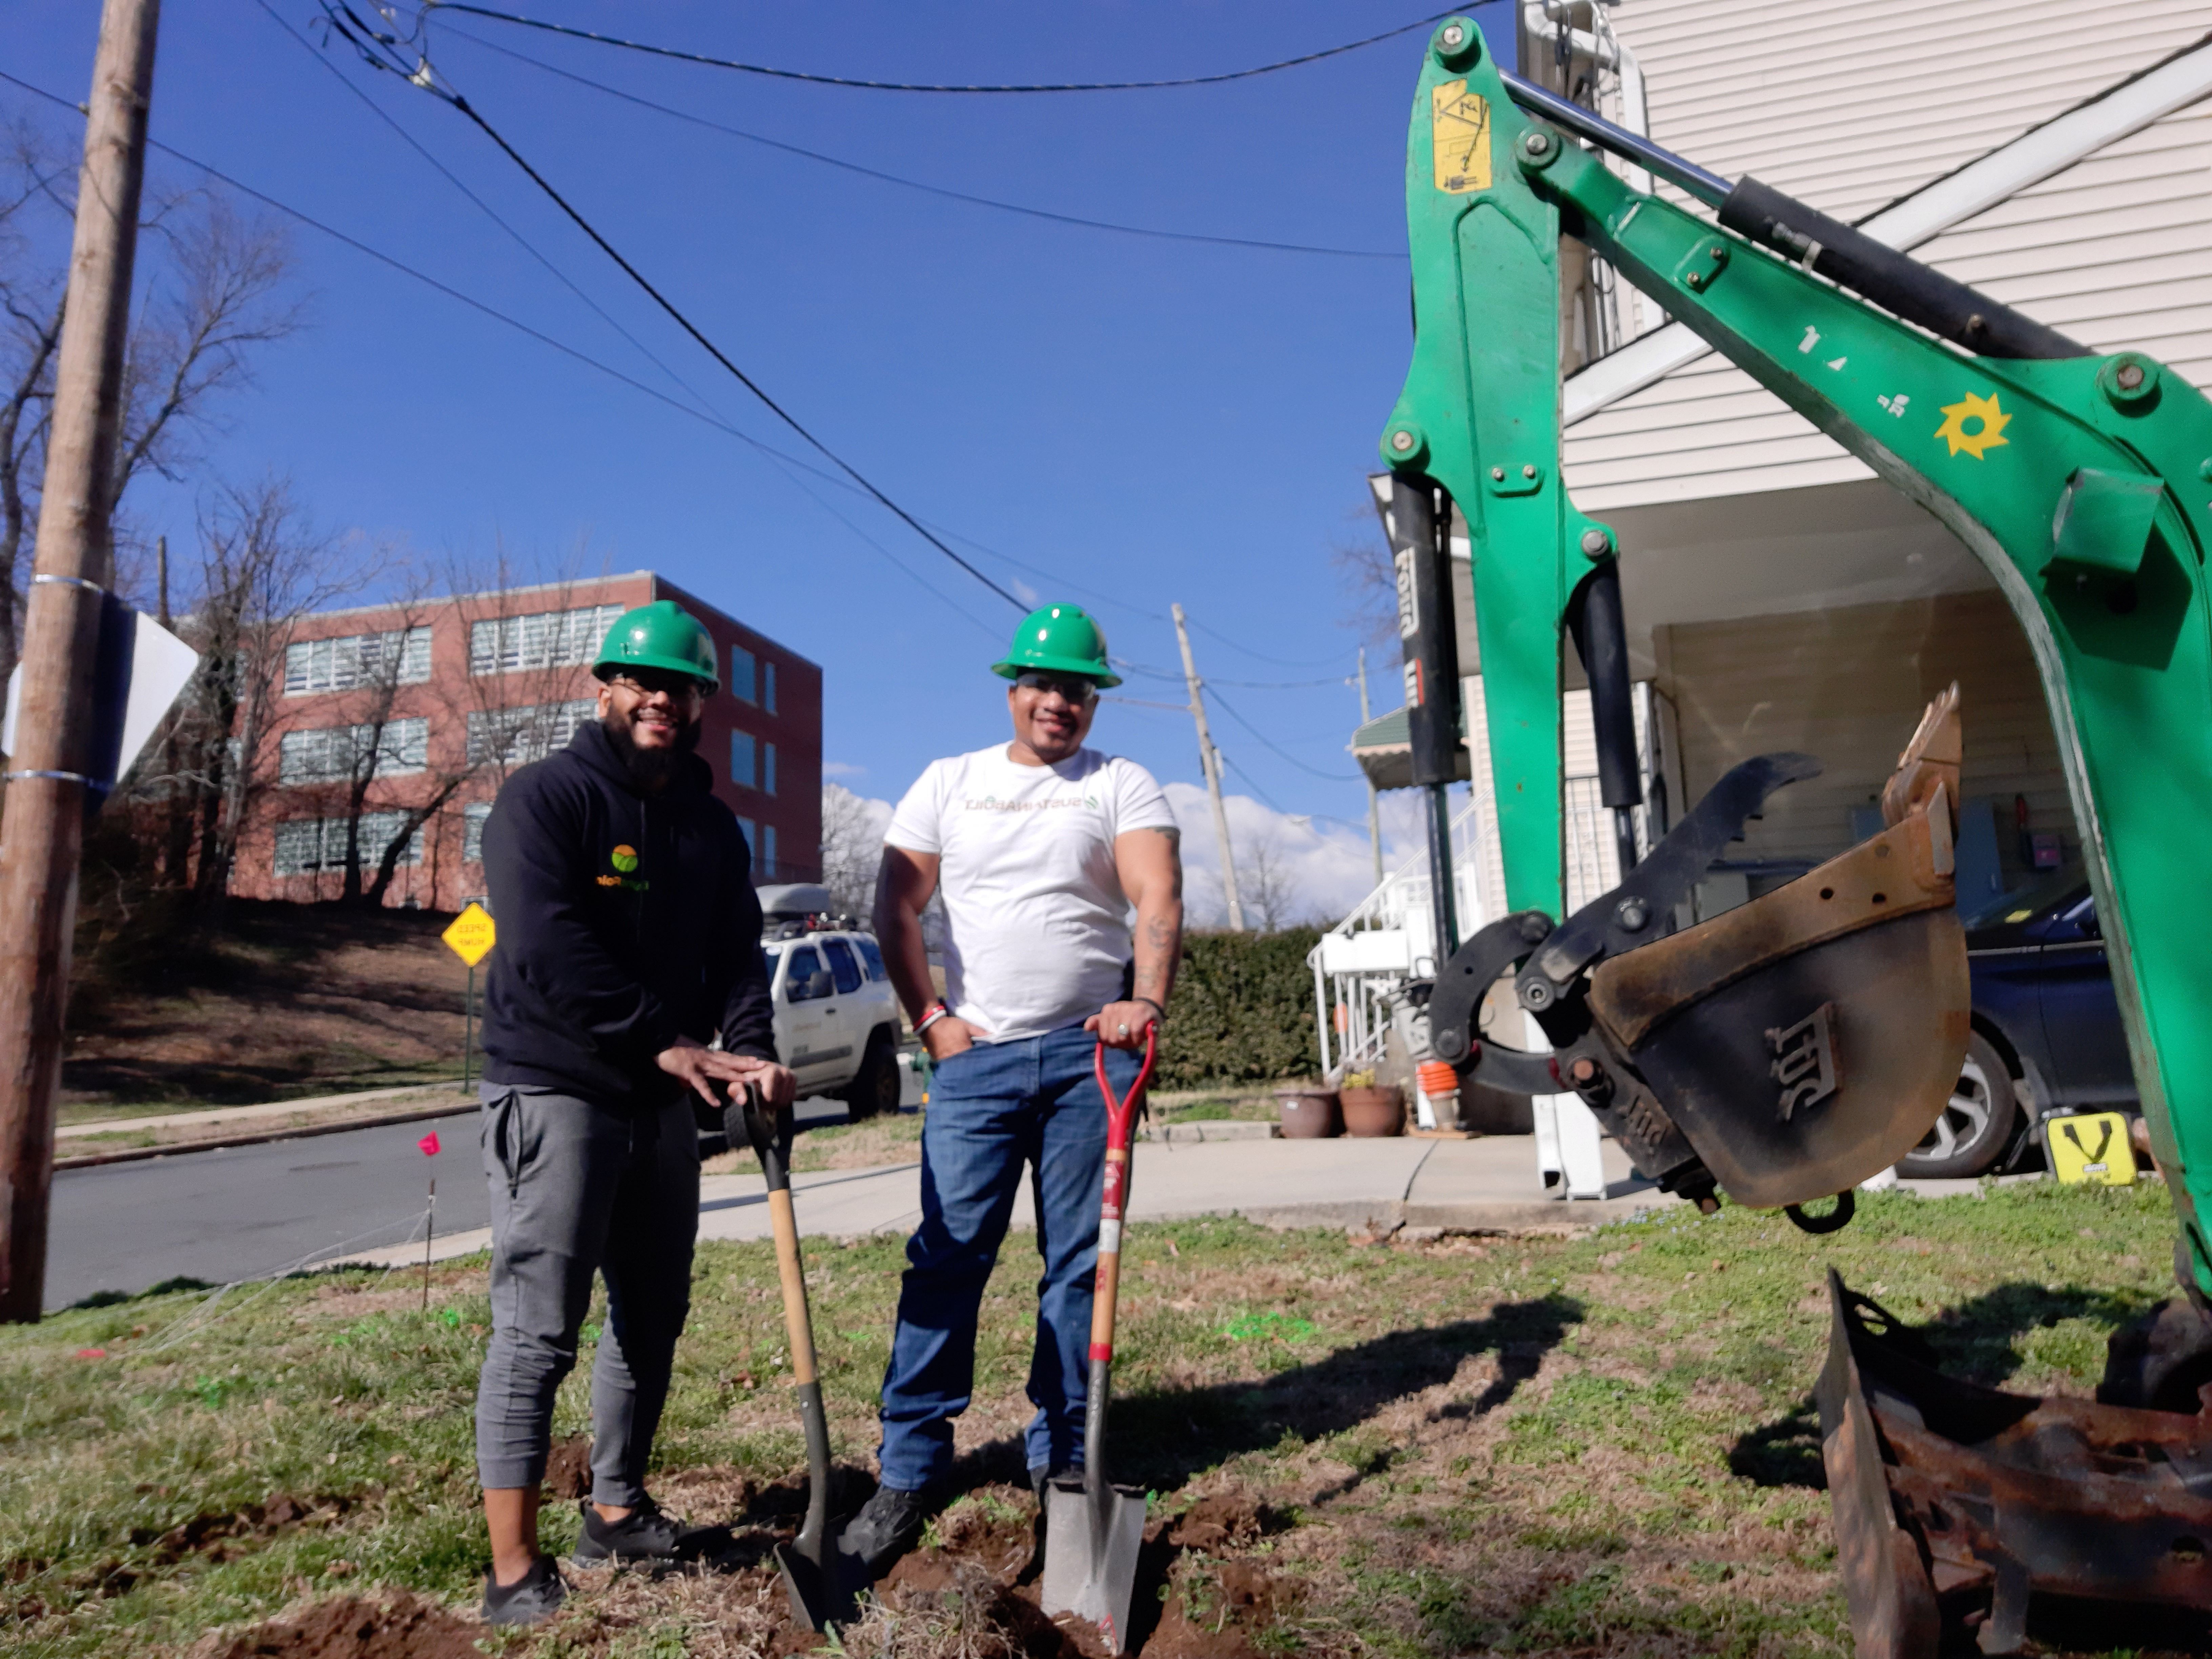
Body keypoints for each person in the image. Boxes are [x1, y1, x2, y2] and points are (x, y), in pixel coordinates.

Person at [839, 603, 1184, 1577]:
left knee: (1080, 1267)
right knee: (947, 1259)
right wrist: (932, 1022)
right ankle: (909, 1466)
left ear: (1092, 700)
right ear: (1013, 690)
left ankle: (1066, 1457)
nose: (1059, 702)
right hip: (977, 1062)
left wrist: (1143, 1001)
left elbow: (1157, 895)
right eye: (1043, 685)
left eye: (1077, 689)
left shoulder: (1121, 784)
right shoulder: (951, 783)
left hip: (1090, 1061)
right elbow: (896, 906)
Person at [472, 599, 796, 1626]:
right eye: (640, 680)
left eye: (682, 685)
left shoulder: (708, 826)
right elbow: (541, 941)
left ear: (701, 702)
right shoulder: (546, 799)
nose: (660, 698)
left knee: (652, 1314)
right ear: (603, 686)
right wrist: (660, 1034)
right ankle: (514, 1570)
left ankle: (614, 1510)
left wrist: (752, 1054)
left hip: (664, 1103)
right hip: (557, 1086)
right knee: (538, 1332)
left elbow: (739, 954)